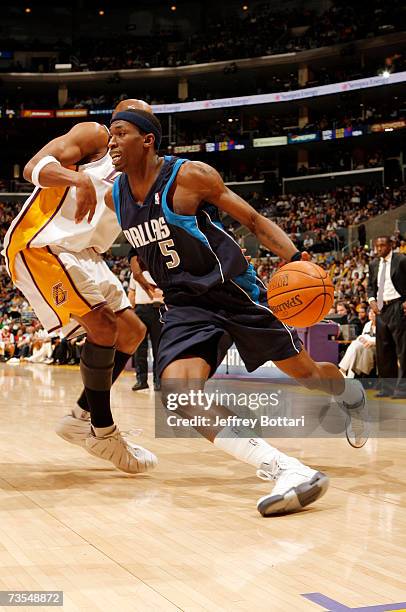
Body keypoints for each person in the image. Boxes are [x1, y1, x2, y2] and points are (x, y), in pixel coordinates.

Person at [103, 102, 367, 517]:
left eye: (120, 133)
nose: (111, 140)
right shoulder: (114, 195)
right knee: (178, 395)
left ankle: (349, 392)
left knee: (309, 375)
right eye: (109, 133)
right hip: (186, 305)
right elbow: (144, 245)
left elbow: (254, 220)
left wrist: (298, 258)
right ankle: (286, 468)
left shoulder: (189, 176)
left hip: (233, 293)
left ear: (148, 140)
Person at [2, 103, 157, 474]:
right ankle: (103, 432)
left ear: (147, 138)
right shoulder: (94, 137)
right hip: (43, 244)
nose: (117, 133)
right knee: (103, 326)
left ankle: (79, 417)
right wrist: (79, 179)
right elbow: (33, 168)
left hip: (85, 252)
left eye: (128, 128)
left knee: (133, 331)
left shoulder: (143, 176)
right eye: (116, 125)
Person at [368, 236, 406, 398]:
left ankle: (403, 389)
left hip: (398, 305)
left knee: (402, 349)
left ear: (391, 245)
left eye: (383, 245)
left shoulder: (402, 260)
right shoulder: (373, 264)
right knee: (383, 350)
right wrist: (371, 301)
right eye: (377, 246)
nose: (379, 249)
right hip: (381, 308)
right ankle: (387, 388)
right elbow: (370, 286)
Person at [128, 269, 163, 391]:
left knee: (158, 347)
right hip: (139, 310)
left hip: (157, 309)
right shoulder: (135, 273)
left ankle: (158, 381)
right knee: (140, 348)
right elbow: (132, 292)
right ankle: (141, 380)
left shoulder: (158, 269)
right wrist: (130, 312)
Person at [339, 309, 376, 378]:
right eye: (370, 312)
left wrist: (369, 340)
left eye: (373, 313)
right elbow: (362, 336)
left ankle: (342, 369)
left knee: (355, 346)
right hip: (364, 344)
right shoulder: (368, 324)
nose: (371, 314)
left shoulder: (381, 325)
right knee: (355, 347)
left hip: (374, 346)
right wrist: (363, 338)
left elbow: (381, 339)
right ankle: (350, 376)